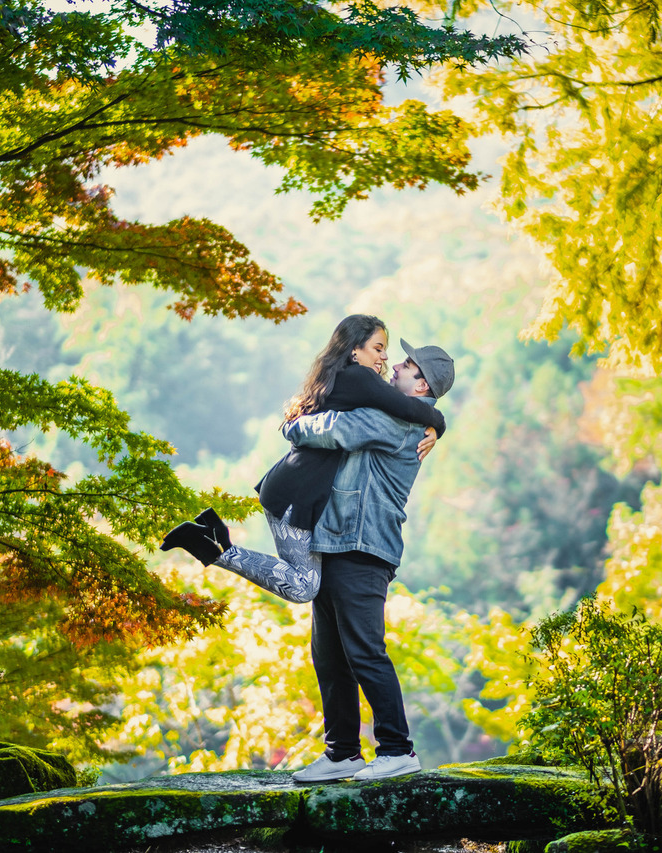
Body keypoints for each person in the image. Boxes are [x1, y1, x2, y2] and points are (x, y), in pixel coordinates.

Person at [160, 315, 444, 603]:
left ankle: (214, 536)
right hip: (295, 493)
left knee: (304, 584)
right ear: (355, 350)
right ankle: (211, 546)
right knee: (303, 587)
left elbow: (399, 409)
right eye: (378, 348)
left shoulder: (346, 379)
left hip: (298, 490)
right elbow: (408, 408)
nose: (386, 358)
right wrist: (438, 422)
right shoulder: (360, 377)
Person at [280, 340, 455, 784]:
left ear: (422, 386)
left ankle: (397, 750)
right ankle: (342, 754)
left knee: (364, 652)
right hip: (340, 543)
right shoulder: (409, 413)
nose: (396, 364)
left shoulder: (396, 416)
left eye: (408, 364)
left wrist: (293, 424)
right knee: (330, 654)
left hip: (363, 547)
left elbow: (336, 430)